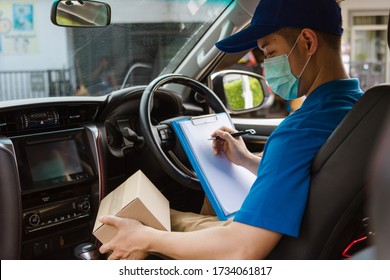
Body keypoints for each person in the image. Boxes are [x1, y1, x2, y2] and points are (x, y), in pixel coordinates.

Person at [98, 0, 363, 260]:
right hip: (310, 240)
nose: (265, 64)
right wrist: (246, 160)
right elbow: (316, 176)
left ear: (307, 41)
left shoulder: (300, 130)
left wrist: (145, 237)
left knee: (136, 218)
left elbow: (241, 249)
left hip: (272, 250)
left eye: (269, 53)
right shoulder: (355, 108)